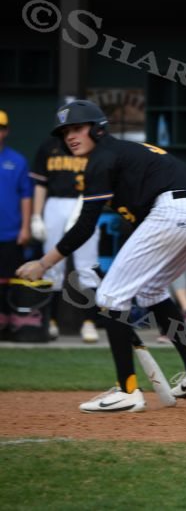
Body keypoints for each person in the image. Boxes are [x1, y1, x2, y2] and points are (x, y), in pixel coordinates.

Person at [16, 100, 186, 413]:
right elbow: (140, 219)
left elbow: (85, 225)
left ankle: (127, 390)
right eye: (65, 132)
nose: (70, 137)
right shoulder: (120, 153)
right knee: (151, 290)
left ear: (98, 128)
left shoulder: (100, 159)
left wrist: (44, 263)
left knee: (111, 296)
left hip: (175, 211)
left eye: (77, 128)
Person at [29, 98, 100, 343]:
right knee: (51, 264)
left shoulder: (92, 145)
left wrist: (84, 205)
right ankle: (50, 321)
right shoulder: (49, 145)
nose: (70, 131)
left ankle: (90, 322)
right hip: (55, 203)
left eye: (76, 125)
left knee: (87, 264)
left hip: (86, 202)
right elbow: (40, 184)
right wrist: (36, 216)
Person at [0, 110, 32, 335]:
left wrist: (26, 227)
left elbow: (26, 195)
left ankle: (9, 321)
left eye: (1, 128)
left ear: (7, 131)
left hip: (11, 231)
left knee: (9, 280)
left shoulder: (17, 160)